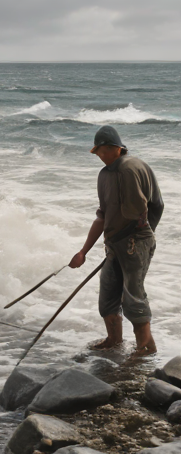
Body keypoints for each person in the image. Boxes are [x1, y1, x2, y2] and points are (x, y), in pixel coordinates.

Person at [69, 125, 164, 356]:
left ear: (116, 148)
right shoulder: (105, 174)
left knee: (133, 297)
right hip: (114, 244)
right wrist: (83, 251)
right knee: (108, 294)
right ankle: (114, 340)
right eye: (97, 153)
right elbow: (103, 216)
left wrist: (142, 236)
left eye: (103, 151)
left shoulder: (130, 168)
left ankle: (145, 349)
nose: (100, 156)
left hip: (134, 243)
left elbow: (151, 207)